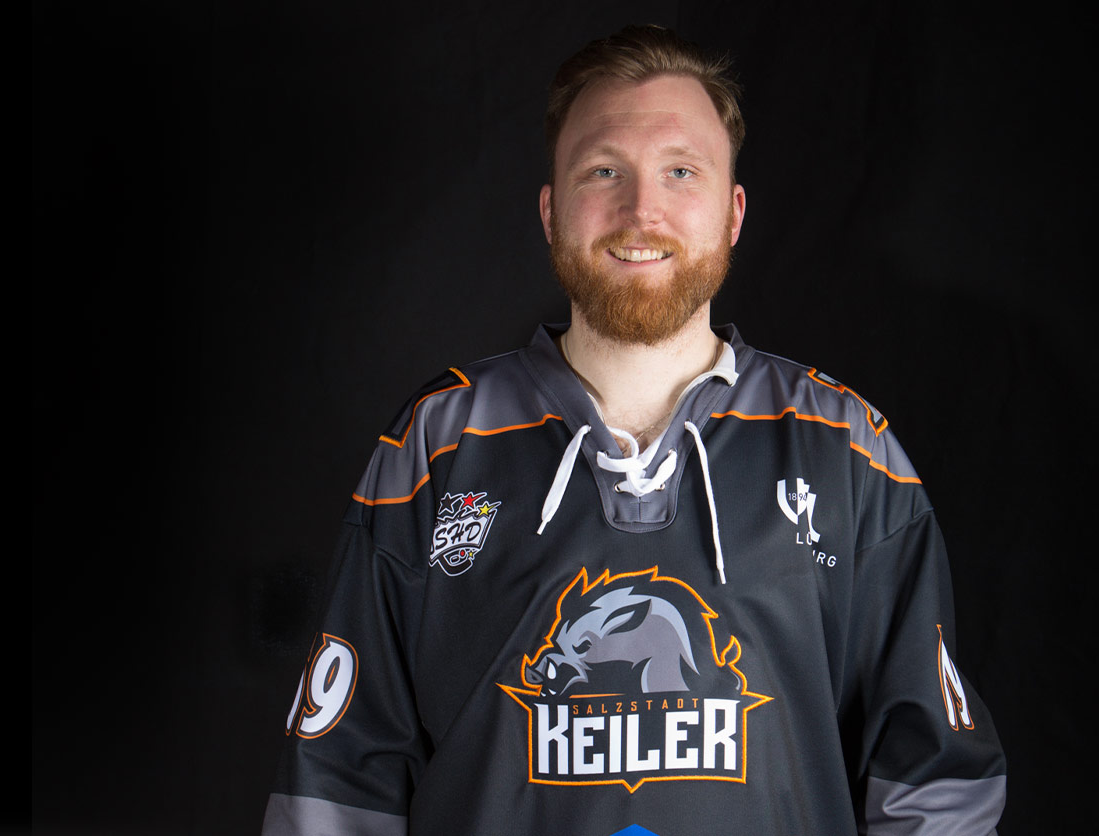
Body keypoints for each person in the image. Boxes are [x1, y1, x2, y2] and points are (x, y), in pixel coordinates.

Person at [262, 24, 1006, 835]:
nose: (640, 209)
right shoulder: (437, 444)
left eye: (680, 171)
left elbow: (931, 781)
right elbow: (338, 782)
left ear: (732, 212)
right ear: (551, 211)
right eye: (603, 170)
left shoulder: (845, 447)